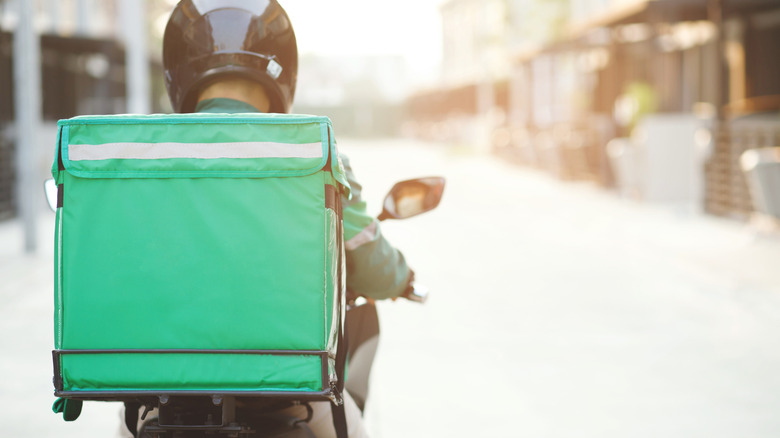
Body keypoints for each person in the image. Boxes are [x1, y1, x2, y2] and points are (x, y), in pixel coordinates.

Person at [128, 1, 413, 437]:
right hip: (286, 393)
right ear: (283, 69)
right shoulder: (315, 156)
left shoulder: (141, 159)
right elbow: (371, 266)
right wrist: (401, 277)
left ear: (178, 69)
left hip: (167, 394)